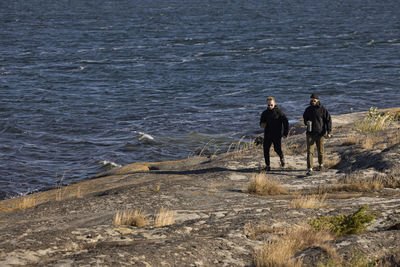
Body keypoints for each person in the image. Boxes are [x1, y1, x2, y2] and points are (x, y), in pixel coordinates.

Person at [303, 93, 332, 176]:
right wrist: (306, 122)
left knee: (320, 151)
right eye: (311, 100)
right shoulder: (308, 109)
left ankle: (321, 165)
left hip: (320, 134)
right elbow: (305, 118)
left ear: (317, 100)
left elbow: (328, 120)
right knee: (309, 152)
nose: (313, 101)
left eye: (314, 100)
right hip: (310, 134)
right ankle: (310, 169)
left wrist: (328, 132)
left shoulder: (323, 109)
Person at [260, 96, 289, 171]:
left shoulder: (279, 112)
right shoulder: (265, 113)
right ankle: (267, 166)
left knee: (277, 149)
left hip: (277, 134)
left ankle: (281, 157)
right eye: (268, 105)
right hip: (267, 134)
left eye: (271, 105)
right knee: (266, 149)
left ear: (274, 104)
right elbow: (261, 123)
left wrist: (285, 133)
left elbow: (286, 122)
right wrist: (262, 124)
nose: (270, 106)